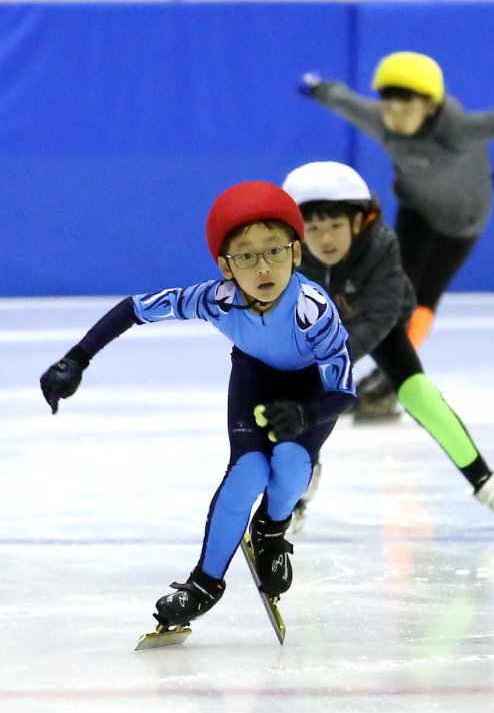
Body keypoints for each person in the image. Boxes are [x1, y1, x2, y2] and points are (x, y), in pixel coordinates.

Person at [39, 181, 356, 629]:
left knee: (290, 462)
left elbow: (343, 389)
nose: (263, 267)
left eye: (275, 251)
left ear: (297, 254)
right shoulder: (216, 300)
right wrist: (77, 358)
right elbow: (135, 308)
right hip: (255, 379)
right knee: (247, 471)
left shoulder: (313, 309)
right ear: (226, 266)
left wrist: (306, 414)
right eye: (246, 256)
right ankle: (204, 584)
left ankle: (271, 529)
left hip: (311, 392)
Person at [282, 160, 494, 528]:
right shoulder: (289, 255)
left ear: (359, 221)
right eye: (313, 227)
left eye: (336, 225)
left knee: (420, 393)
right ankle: (298, 487)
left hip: (379, 322)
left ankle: (485, 480)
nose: (325, 239)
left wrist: (331, 360)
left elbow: (380, 318)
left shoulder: (382, 245)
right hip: (325, 326)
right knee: (302, 393)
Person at [298, 52, 494, 408]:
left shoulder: (458, 130)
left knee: (424, 300)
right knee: (387, 292)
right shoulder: (381, 122)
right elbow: (346, 102)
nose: (393, 116)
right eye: (388, 105)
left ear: (429, 106)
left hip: (462, 223)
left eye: (405, 107)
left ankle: (390, 377)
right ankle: (347, 370)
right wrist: (320, 89)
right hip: (416, 212)